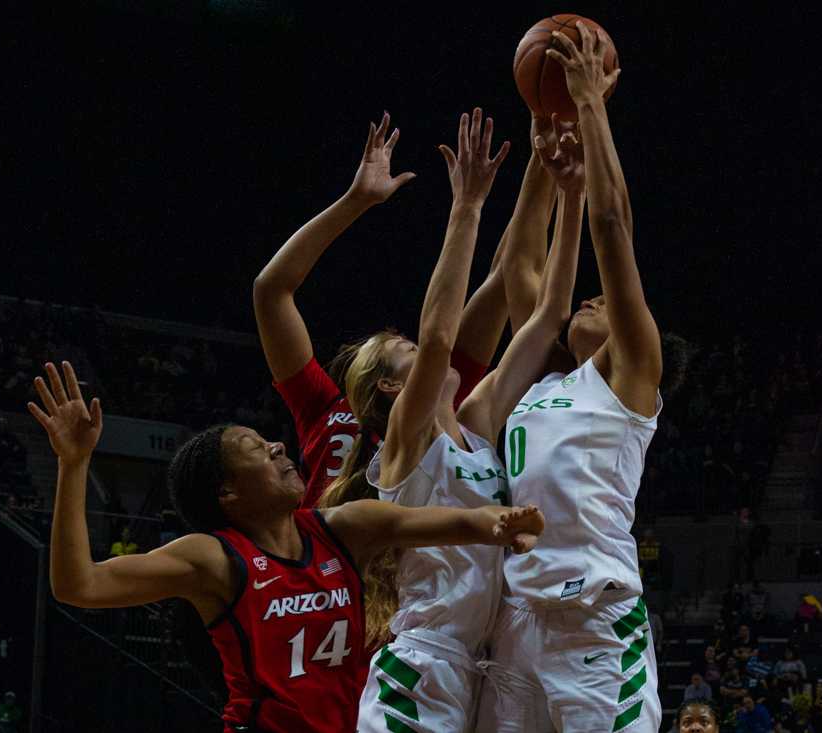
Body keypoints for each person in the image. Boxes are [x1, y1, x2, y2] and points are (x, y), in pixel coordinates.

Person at [27, 360, 545, 733]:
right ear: (227, 492)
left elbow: (453, 520)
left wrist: (502, 523)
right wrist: (74, 465)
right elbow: (78, 585)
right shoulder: (213, 557)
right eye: (256, 447)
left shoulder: (343, 525)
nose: (277, 445)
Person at [475, 23, 692, 733]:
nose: (591, 300)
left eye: (599, 300)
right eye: (589, 297)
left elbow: (610, 224)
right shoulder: (540, 382)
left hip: (596, 620)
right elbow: (520, 270)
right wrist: (546, 137)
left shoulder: (631, 378)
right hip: (517, 620)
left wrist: (590, 105)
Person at [343, 108, 581, 732]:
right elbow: (441, 334)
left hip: (486, 670)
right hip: (424, 663)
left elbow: (543, 309)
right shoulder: (407, 441)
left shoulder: (475, 428)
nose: (425, 357)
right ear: (393, 387)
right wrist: (467, 206)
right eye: (410, 357)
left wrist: (546, 158)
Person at [253, 112, 531, 508]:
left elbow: (506, 274)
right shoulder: (325, 408)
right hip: (330, 561)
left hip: (415, 562)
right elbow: (270, 290)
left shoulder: (441, 397)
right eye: (407, 350)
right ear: (386, 382)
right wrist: (356, 201)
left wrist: (546, 163)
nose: (419, 348)